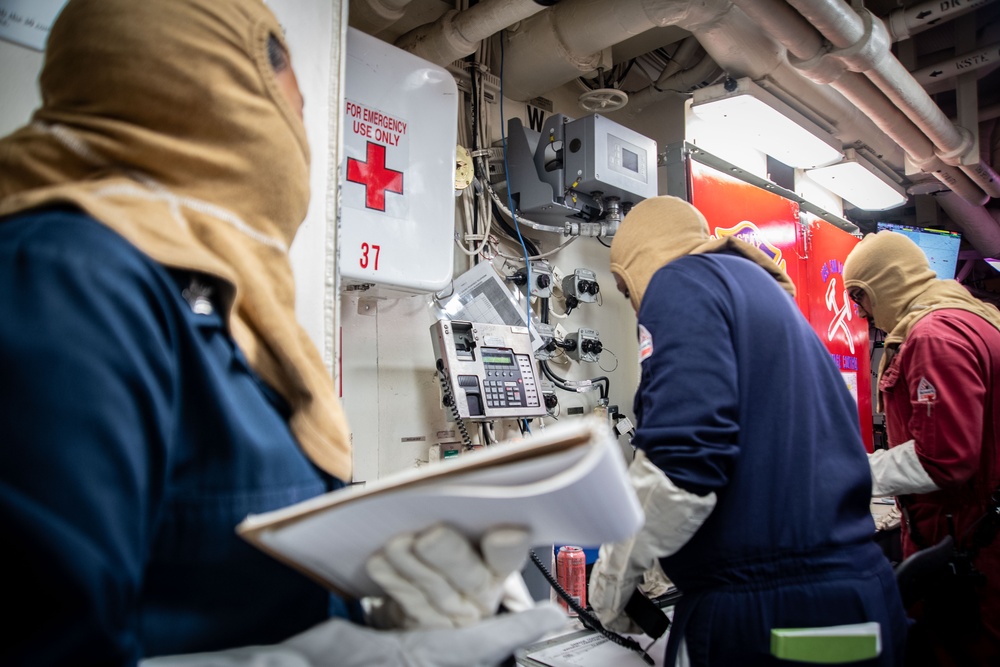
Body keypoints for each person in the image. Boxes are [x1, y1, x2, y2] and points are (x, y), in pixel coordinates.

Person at [0, 0, 563, 664]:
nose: (301, 142)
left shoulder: (229, 310)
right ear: (213, 94)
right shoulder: (69, 277)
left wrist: (371, 612)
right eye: (291, 113)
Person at [589, 196, 909, 666]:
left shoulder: (679, 282)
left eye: (624, 285)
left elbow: (684, 464)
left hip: (776, 616)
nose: (635, 301)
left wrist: (612, 581)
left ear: (643, 260)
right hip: (855, 602)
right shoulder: (767, 301)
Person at [843, 230, 1000, 666]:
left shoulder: (934, 337)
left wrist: (852, 470)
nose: (865, 314)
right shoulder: (975, 318)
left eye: (862, 301)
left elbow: (944, 459)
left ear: (873, 289)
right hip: (974, 535)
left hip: (965, 542)